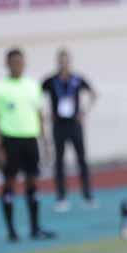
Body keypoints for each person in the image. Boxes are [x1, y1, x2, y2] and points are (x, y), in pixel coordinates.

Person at [0, 47, 55, 242]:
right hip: (10, 139)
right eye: (14, 62)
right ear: (7, 64)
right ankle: (11, 230)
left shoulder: (33, 86)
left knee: (32, 182)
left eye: (21, 62)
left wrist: (45, 141)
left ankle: (35, 227)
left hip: (30, 139)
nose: (18, 65)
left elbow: (39, 115)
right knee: (9, 182)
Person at [41, 48, 97, 211]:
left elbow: (93, 94)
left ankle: (87, 195)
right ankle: (61, 197)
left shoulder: (77, 79)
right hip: (59, 125)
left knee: (82, 160)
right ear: (57, 62)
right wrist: (45, 114)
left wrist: (84, 111)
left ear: (69, 62)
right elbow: (37, 95)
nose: (63, 64)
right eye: (60, 61)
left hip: (74, 124)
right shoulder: (50, 81)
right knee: (59, 161)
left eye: (65, 60)